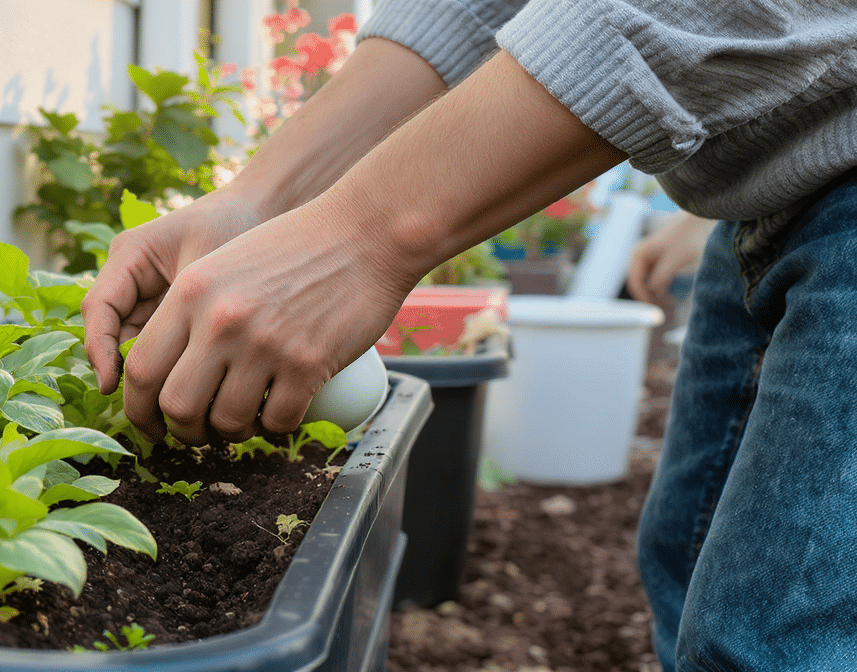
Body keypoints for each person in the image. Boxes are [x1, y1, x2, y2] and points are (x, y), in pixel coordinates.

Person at [80, 1, 857, 669]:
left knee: (770, 642)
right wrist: (257, 199)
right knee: (684, 568)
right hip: (772, 181)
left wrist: (359, 237)